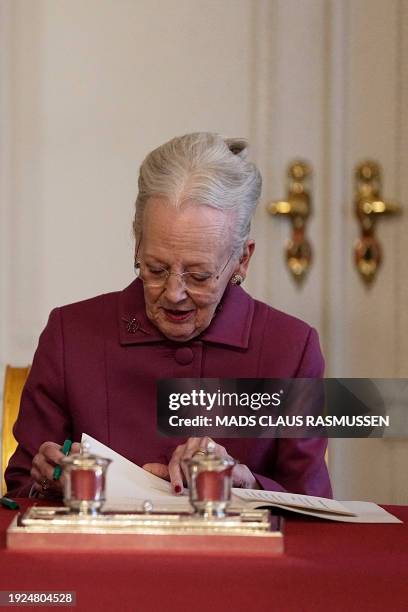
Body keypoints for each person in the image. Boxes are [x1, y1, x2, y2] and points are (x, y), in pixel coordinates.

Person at [5, 132, 332, 498]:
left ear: (242, 260)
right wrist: (48, 479)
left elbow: (313, 506)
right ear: (137, 242)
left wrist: (244, 482)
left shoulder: (290, 348)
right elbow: (20, 492)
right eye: (156, 268)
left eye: (199, 276)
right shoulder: (72, 334)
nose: (174, 294)